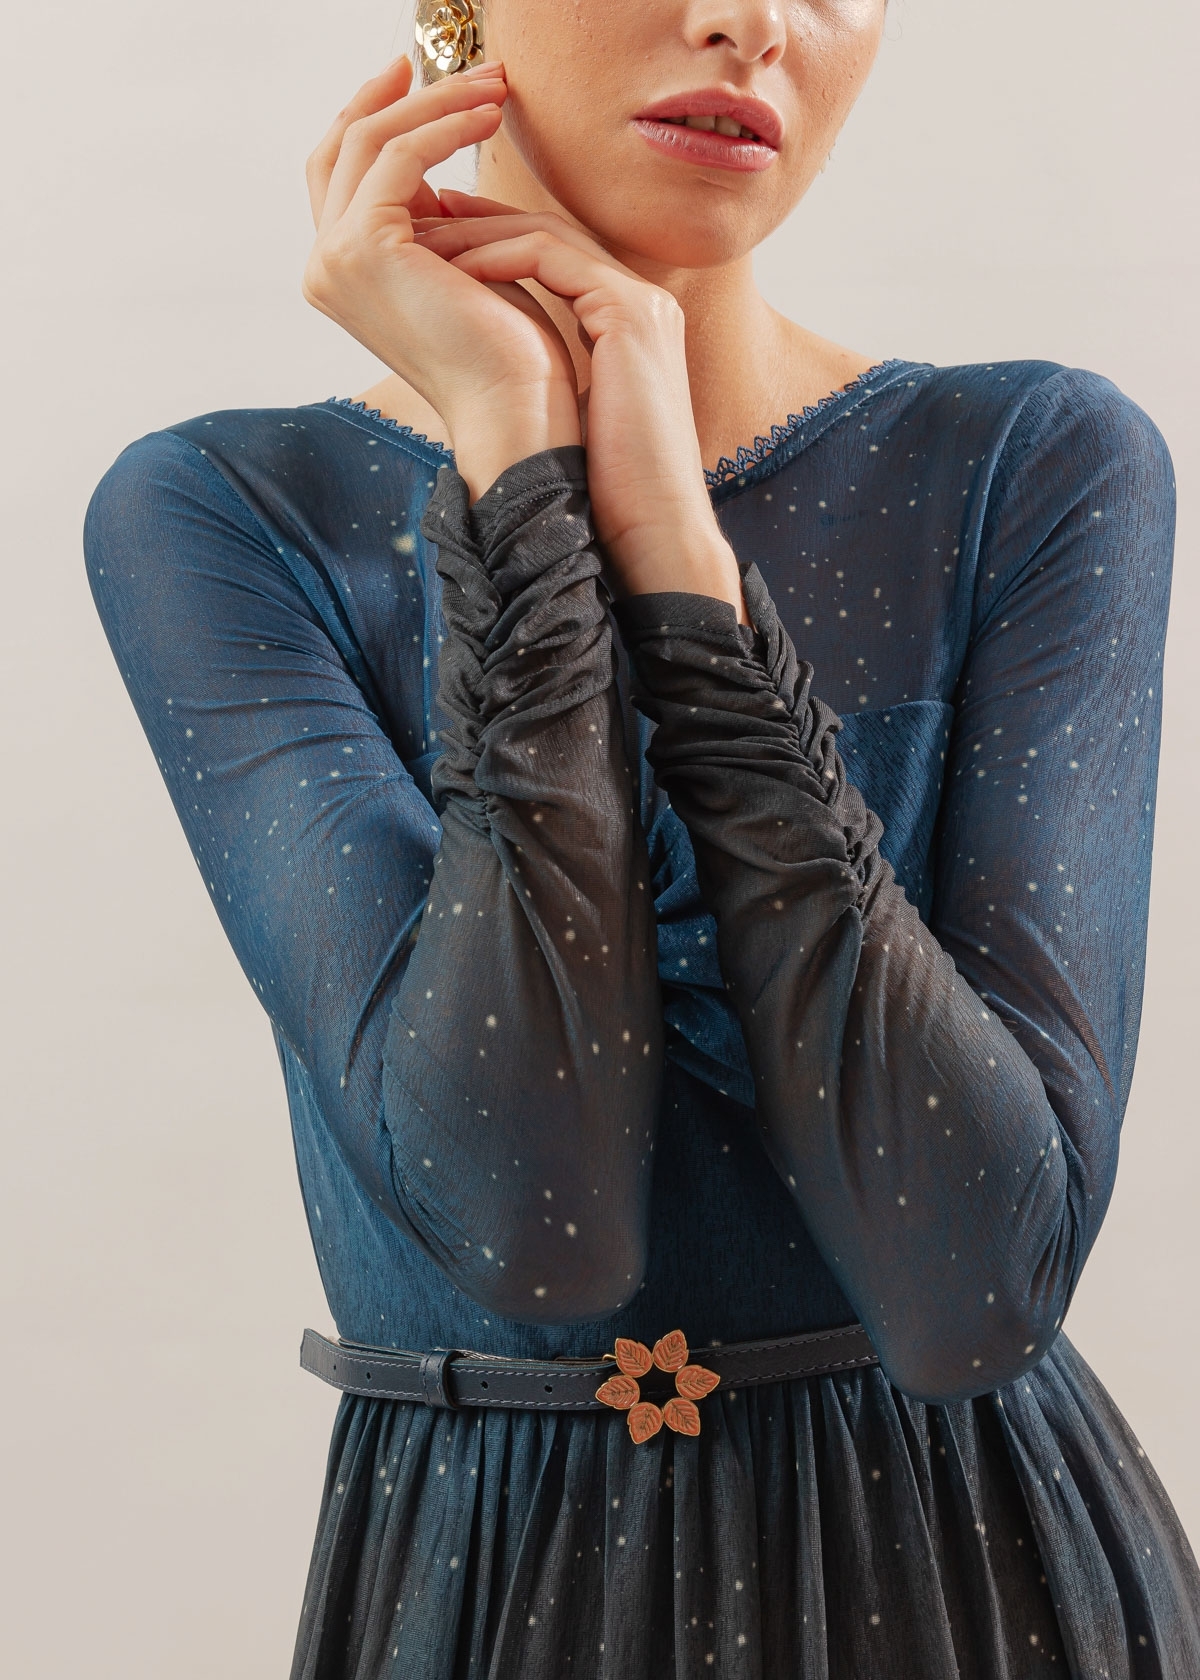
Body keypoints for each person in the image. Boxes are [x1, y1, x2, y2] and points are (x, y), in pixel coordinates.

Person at [84, 0, 1200, 1673]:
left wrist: (679, 560)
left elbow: (973, 1285)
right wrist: (514, 457)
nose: (746, 21)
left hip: (969, 1578)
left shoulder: (1031, 466)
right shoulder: (227, 516)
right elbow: (532, 1223)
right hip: (495, 1585)